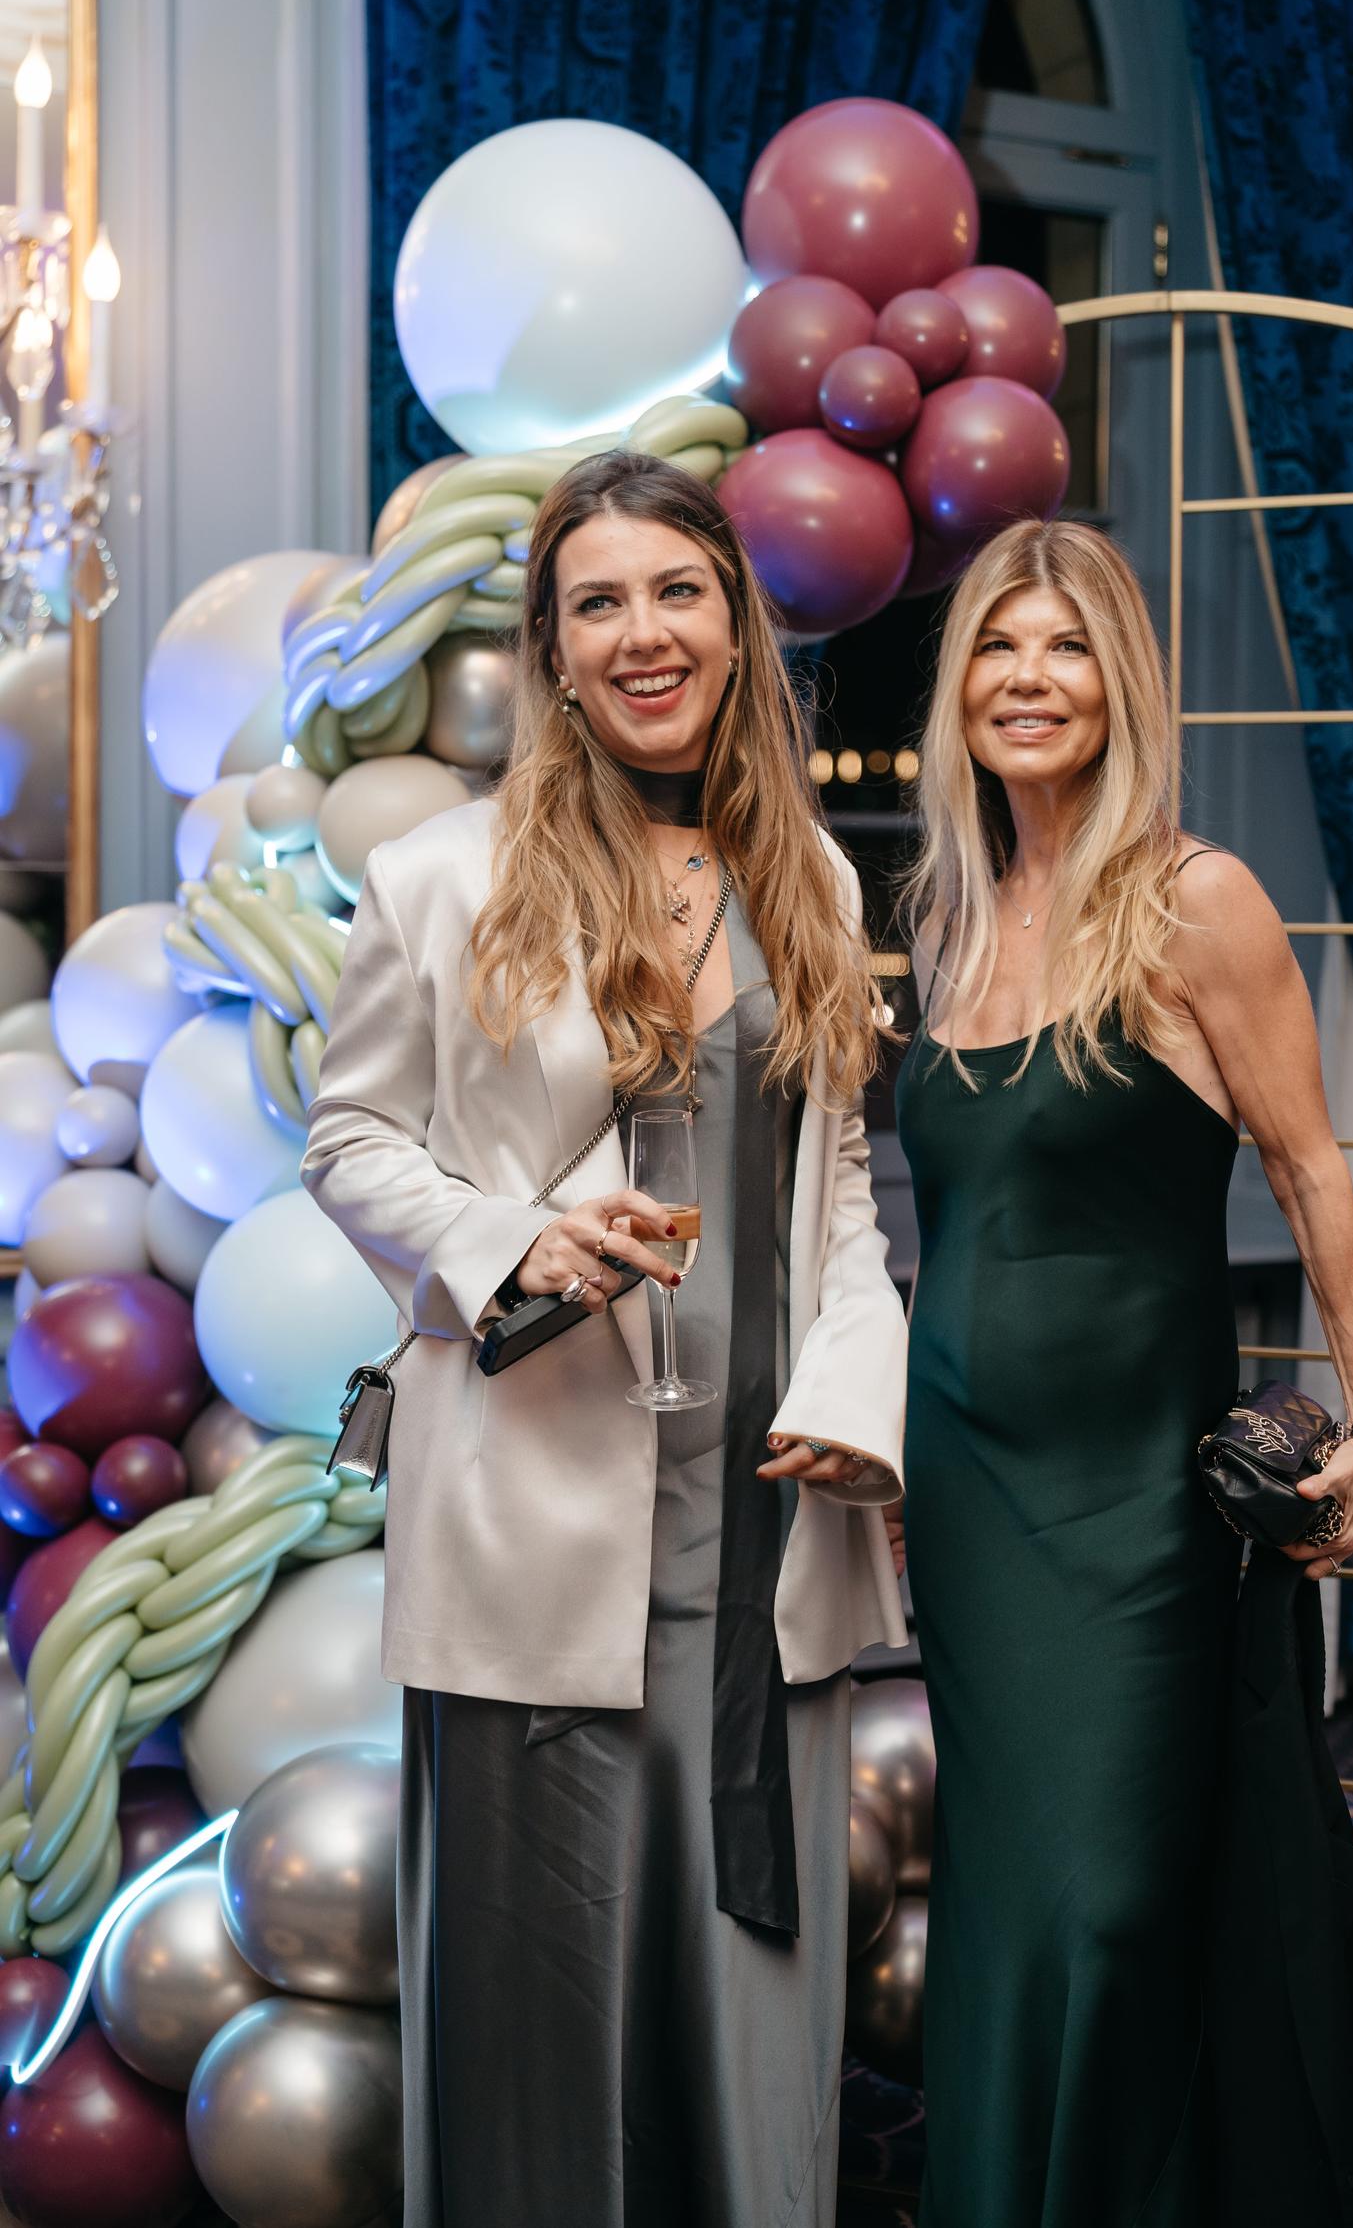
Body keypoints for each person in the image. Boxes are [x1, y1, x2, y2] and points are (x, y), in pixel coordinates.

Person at [302, 449, 908, 2228]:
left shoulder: (809, 881)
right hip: (535, 1530)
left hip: (760, 1542)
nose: (643, 633)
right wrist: (513, 1239)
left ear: (735, 624)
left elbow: (841, 1199)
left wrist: (859, 1398)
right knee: (539, 2041)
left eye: (677, 591)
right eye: (598, 603)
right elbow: (349, 1142)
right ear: (553, 651)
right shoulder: (441, 876)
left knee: (751, 2039)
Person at [894, 518, 1353, 2227]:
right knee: (1005, 1903)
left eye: (1067, 648)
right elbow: (953, 1226)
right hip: (968, 1493)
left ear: (1122, 684)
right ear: (958, 686)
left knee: (1111, 1902)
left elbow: (1314, 1171)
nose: (1028, 679)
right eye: (997, 646)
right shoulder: (950, 917)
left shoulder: (1196, 897)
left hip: (1135, 1504)